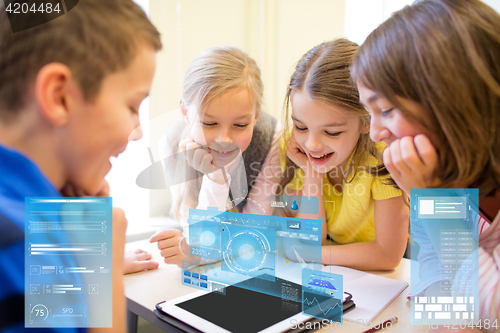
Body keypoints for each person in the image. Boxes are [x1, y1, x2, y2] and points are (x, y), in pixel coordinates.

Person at [0, 0, 162, 331]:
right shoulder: (20, 244)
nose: (138, 131)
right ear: (59, 96)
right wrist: (102, 258)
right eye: (132, 106)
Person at [352, 0, 500, 331]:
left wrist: (434, 196)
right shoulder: (437, 175)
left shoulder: (432, 186)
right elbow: (433, 279)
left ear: (453, 99)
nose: (376, 133)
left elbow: (493, 308)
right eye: (369, 112)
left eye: (387, 109)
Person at [279, 38, 409, 270]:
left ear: (367, 122)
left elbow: (388, 255)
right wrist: (312, 174)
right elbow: (309, 239)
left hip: (384, 273)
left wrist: (312, 254)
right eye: (300, 126)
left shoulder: (383, 158)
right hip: (335, 264)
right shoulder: (294, 149)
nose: (312, 144)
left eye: (332, 132)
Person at [150, 46, 282, 268]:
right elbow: (201, 244)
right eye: (209, 123)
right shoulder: (171, 146)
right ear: (185, 112)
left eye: (240, 125)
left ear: (256, 116)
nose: (224, 139)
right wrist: (216, 177)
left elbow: (251, 238)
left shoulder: (273, 139)